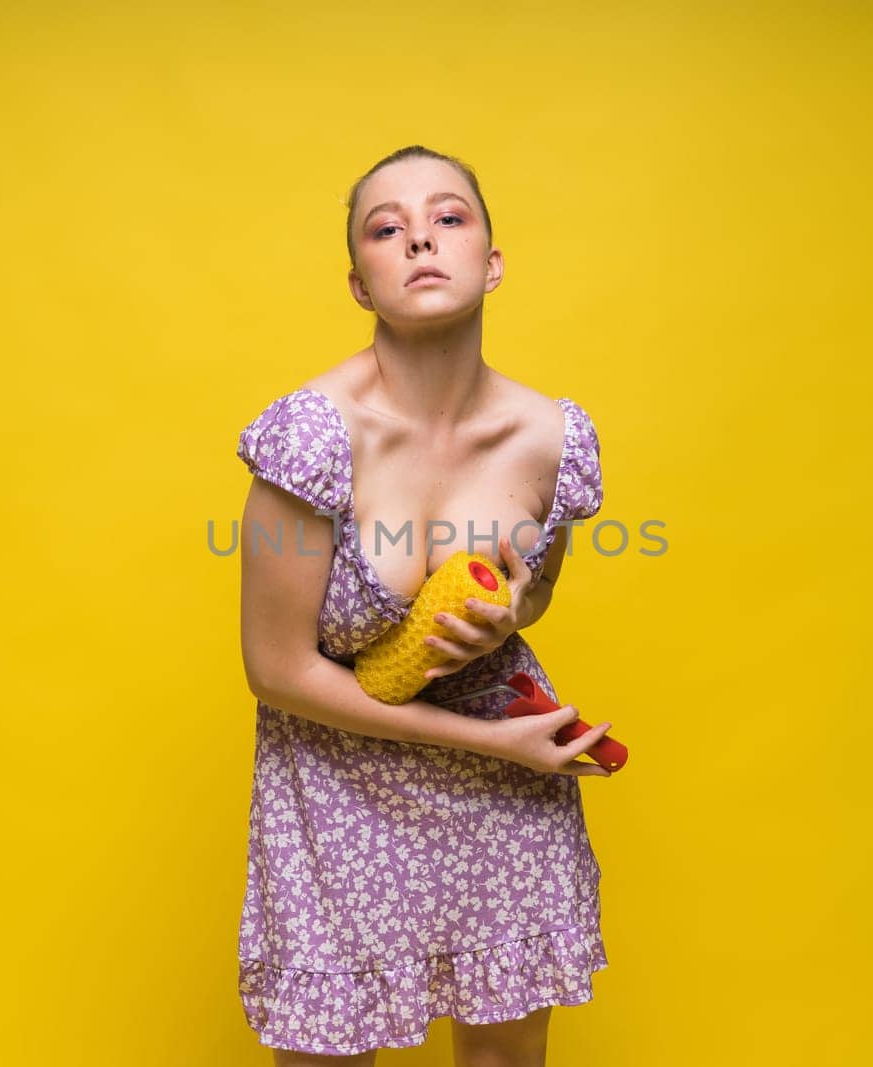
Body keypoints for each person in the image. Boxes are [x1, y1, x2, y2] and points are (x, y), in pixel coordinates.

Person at [234, 145, 612, 1065]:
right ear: (360, 282)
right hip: (336, 794)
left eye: (449, 218)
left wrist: (512, 610)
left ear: (491, 261)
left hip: (503, 800)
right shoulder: (312, 435)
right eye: (386, 227)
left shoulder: (550, 437)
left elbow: (540, 589)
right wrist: (498, 745)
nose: (418, 239)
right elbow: (276, 669)